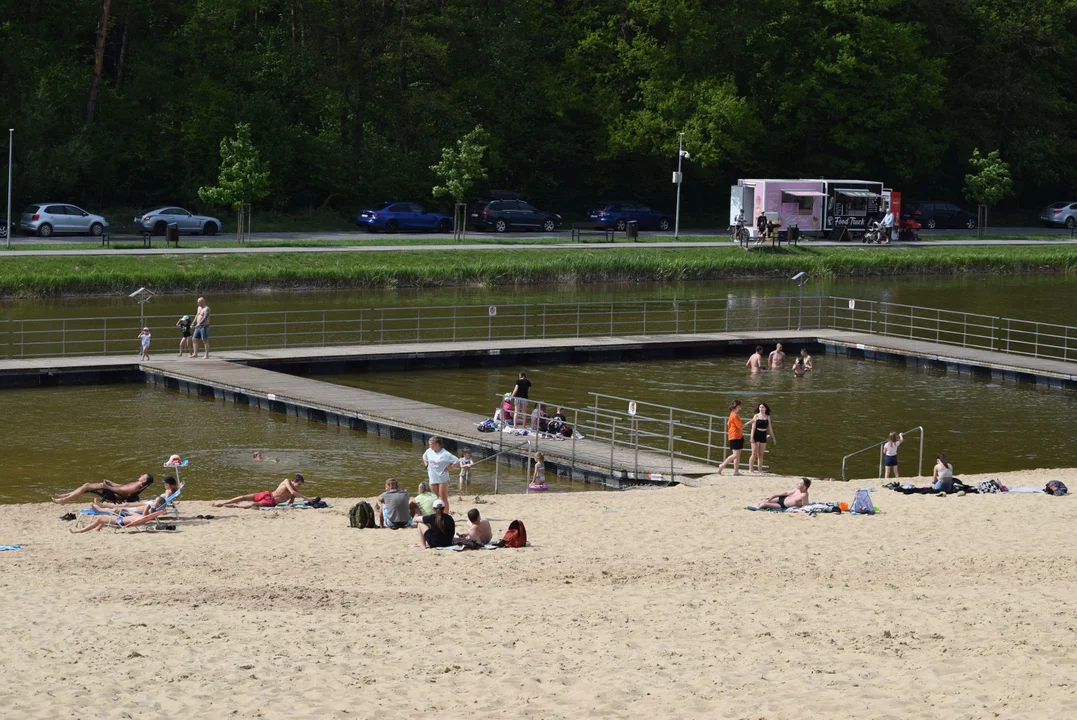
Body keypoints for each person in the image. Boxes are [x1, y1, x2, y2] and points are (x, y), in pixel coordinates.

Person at [213, 474, 308, 509]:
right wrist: (307, 498)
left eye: (300, 485)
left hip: (272, 502)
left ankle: (234, 505)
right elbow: (292, 492)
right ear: (293, 481)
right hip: (268, 494)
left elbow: (291, 502)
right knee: (243, 497)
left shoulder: (295, 492)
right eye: (299, 484)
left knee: (252, 505)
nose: (299, 487)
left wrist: (291, 504)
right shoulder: (287, 481)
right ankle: (223, 503)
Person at [52, 473, 154, 505]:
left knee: (87, 486)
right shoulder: (136, 484)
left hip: (113, 494)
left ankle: (64, 500)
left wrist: (108, 486)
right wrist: (111, 483)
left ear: (144, 481)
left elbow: (123, 492)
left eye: (143, 476)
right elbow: (121, 486)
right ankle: (66, 496)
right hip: (112, 490)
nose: (140, 475)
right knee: (86, 486)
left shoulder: (136, 486)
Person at [422, 436, 459, 512]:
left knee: (442, 498)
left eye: (430, 444)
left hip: (442, 478)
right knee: (434, 498)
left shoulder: (445, 454)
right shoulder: (429, 451)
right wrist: (426, 464)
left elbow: (457, 461)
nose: (429, 446)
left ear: (436, 444)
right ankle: (437, 515)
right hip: (432, 477)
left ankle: (446, 515)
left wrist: (449, 468)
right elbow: (424, 457)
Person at [716, 400, 744, 476]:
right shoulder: (734, 415)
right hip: (734, 437)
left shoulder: (733, 414)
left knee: (738, 455)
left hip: (738, 436)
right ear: (738, 406)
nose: (741, 406)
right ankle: (722, 465)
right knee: (735, 455)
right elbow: (741, 427)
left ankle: (736, 471)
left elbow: (728, 423)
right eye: (740, 405)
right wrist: (751, 422)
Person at [747, 402, 776, 474]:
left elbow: (770, 428)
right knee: (754, 454)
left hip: (763, 435)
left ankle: (760, 470)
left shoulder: (767, 417)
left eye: (763, 407)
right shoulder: (756, 416)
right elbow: (753, 428)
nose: (761, 409)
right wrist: (752, 437)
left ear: (766, 408)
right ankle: (751, 470)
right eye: (760, 407)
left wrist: (773, 438)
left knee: (760, 454)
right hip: (756, 434)